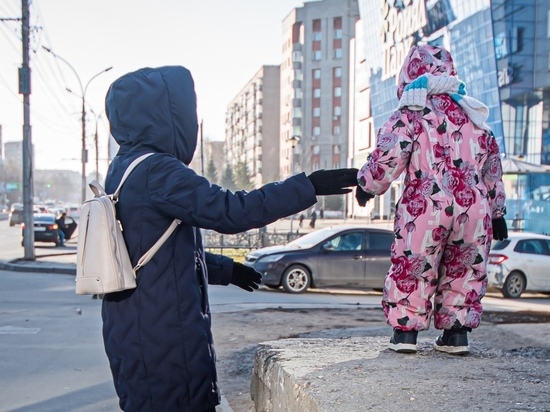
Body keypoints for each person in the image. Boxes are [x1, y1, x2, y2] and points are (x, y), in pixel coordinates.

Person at [102, 65, 358, 412]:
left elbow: (155, 252)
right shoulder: (157, 170)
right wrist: (309, 186)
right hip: (162, 332)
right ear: (168, 114)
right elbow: (232, 210)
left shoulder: (123, 168)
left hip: (135, 324)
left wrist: (227, 270)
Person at [356, 45, 508, 356]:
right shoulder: (473, 115)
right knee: (465, 266)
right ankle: (456, 334)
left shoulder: (411, 113)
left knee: (413, 263)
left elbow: (389, 154)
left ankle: (405, 333)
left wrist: (367, 185)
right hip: (474, 209)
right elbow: (492, 169)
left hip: (425, 206)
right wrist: (497, 212)